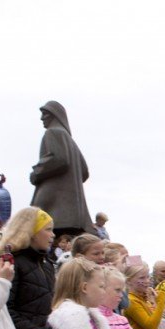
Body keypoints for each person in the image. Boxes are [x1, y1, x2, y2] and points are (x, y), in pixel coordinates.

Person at [30, 100, 92, 237]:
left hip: (52, 198)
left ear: (55, 115)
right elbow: (84, 171)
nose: (41, 118)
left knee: (35, 225)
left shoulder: (53, 132)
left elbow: (59, 159)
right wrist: (71, 182)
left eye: (45, 114)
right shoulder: (71, 141)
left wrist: (36, 172)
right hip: (73, 210)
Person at [124, 263, 165, 329]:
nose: (147, 281)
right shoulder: (132, 301)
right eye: (142, 278)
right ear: (128, 281)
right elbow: (150, 326)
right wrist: (161, 301)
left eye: (148, 277)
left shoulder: (142, 300)